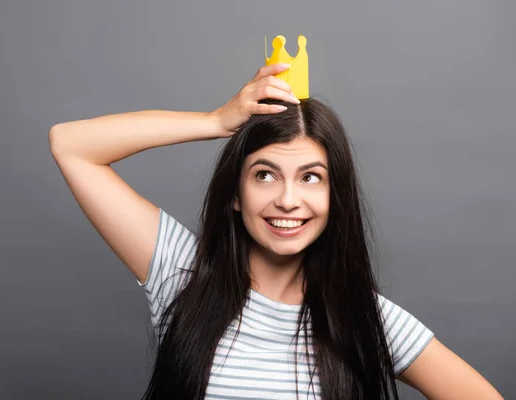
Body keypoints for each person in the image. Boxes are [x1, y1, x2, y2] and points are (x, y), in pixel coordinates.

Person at [49, 63, 504, 399]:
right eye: (265, 175)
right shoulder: (181, 273)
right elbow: (71, 145)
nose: (288, 199)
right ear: (235, 193)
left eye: (311, 177)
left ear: (334, 197)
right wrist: (214, 122)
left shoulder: (365, 316)